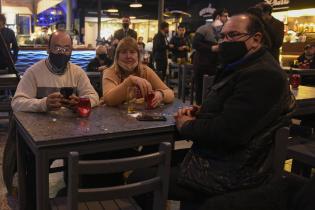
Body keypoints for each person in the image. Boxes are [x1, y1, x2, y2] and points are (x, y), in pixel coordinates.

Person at [129, 13, 294, 209]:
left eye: (231, 35)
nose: (224, 42)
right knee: (147, 163)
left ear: (256, 39)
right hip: (222, 157)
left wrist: (187, 126)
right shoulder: (246, 66)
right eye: (222, 36)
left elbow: (229, 133)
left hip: (233, 170)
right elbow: (236, 113)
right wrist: (203, 111)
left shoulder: (262, 74)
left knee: (138, 179)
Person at [102, 37, 174, 107]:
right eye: (123, 52)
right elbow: (108, 99)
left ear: (138, 55)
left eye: (132, 52)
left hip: (140, 116)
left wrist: (161, 94)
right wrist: (130, 81)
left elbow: (170, 93)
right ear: (117, 56)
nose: (128, 56)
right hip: (113, 117)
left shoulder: (145, 71)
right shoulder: (110, 72)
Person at [192, 9, 228, 104]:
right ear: (218, 17)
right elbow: (195, 44)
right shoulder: (204, 28)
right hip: (202, 65)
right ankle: (198, 111)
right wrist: (212, 48)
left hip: (215, 66)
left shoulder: (224, 32)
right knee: (200, 91)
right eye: (225, 16)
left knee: (213, 92)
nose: (227, 18)